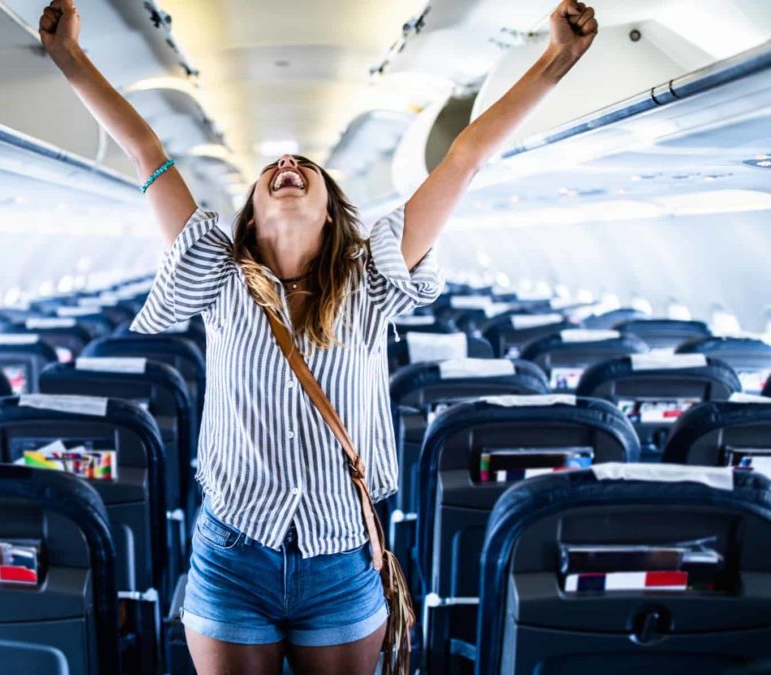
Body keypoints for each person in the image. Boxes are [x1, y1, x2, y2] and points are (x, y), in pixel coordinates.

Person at [39, 1, 598, 673]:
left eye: (303, 165)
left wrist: (555, 60)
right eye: (273, 167)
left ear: (331, 210)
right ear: (249, 213)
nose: (285, 162)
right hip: (232, 553)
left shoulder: (370, 281)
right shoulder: (219, 276)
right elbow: (146, 150)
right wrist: (71, 57)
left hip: (340, 556)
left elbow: (465, 160)